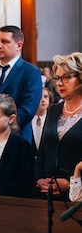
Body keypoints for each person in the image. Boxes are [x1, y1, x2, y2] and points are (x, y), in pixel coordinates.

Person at [0, 25, 42, 143]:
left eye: (5, 42)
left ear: (19, 46)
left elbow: (27, 109)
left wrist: (0, 129)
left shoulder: (30, 72)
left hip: (16, 138)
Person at [35, 52, 82, 199]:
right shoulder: (53, 110)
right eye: (57, 78)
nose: (60, 83)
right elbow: (42, 152)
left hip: (76, 195)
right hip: (47, 193)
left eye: (66, 77)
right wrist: (39, 179)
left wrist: (69, 183)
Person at [30, 87, 52, 153]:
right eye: (39, 97)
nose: (43, 100)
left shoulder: (52, 118)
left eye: (46, 97)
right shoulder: (28, 119)